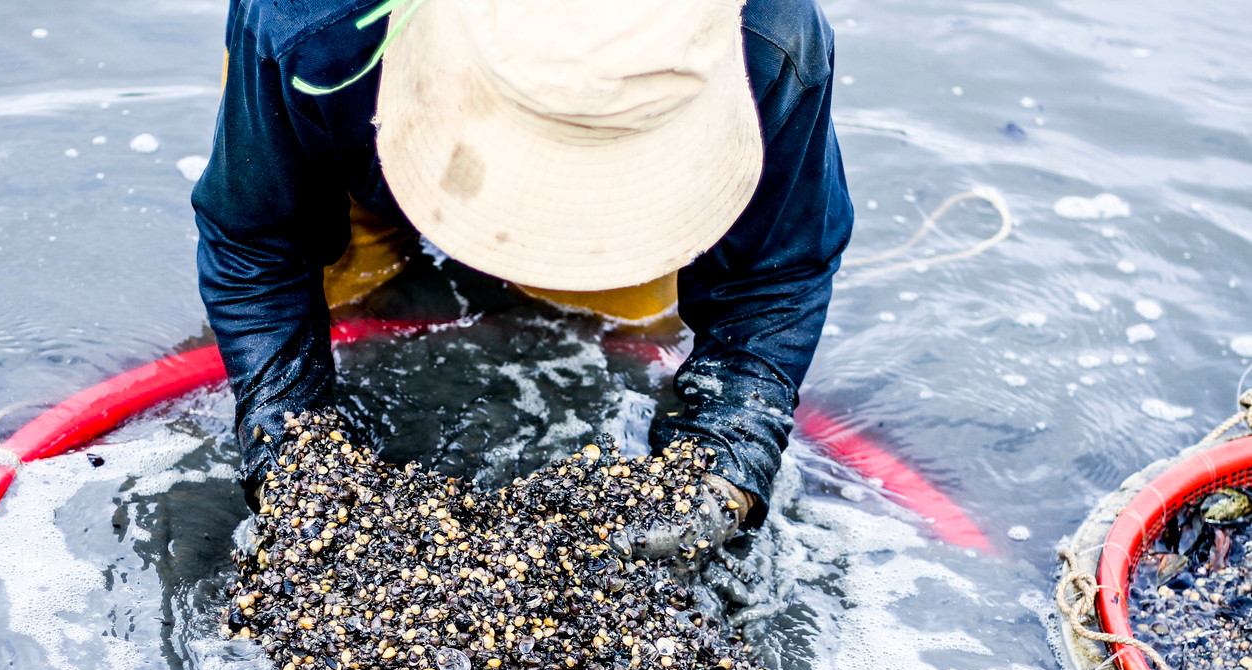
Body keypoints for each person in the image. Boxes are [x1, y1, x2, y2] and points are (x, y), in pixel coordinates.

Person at [193, 0, 852, 555]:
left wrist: (724, 466)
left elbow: (773, 276)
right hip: (364, 109)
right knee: (331, 307)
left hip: (653, 155)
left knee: (619, 329)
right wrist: (290, 449)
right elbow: (258, 246)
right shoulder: (308, 19)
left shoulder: (768, 37)